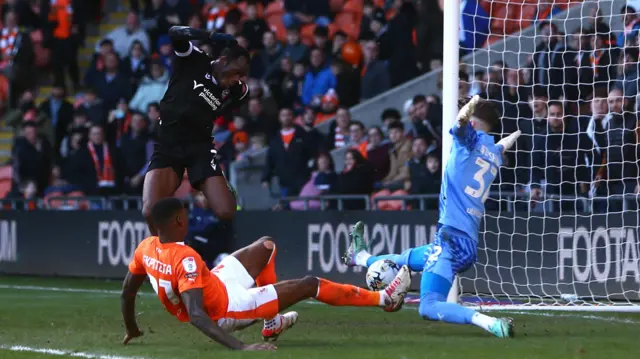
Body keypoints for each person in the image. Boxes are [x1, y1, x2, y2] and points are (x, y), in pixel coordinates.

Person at [121, 198, 411, 350]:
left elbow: (128, 291)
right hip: (229, 308)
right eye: (185, 213)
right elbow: (198, 315)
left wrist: (132, 327)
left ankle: (271, 322)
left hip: (218, 284)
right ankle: (383, 299)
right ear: (178, 220)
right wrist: (241, 347)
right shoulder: (186, 258)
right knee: (308, 284)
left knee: (266, 245)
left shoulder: (145, 248)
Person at [344, 96, 520, 338]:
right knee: (405, 259)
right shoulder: (493, 152)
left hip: (451, 238)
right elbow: (497, 147)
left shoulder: (469, 141)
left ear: (474, 124)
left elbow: (460, 129)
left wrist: (462, 119)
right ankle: (360, 256)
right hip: (463, 239)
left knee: (429, 306)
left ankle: (489, 323)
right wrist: (503, 143)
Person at [142, 26, 251, 235]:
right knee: (149, 210)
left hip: (199, 148)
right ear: (222, 60)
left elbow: (240, 97)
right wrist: (209, 36)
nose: (237, 79)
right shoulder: (196, 60)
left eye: (242, 75)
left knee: (226, 210)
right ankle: (158, 254)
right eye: (235, 72)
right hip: (169, 144)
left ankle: (223, 185)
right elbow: (174, 32)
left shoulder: (235, 90)